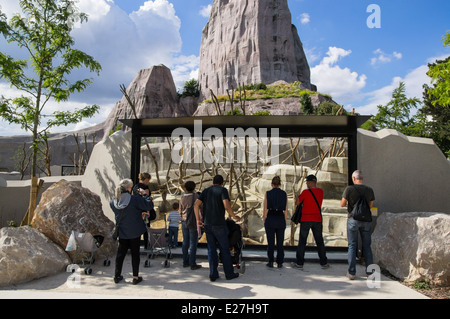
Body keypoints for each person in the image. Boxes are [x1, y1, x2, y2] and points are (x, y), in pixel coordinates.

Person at [194, 175, 241, 281]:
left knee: (211, 250)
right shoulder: (223, 190)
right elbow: (226, 205)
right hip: (219, 224)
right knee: (224, 249)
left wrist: (198, 220)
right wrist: (234, 216)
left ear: (213, 182)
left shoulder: (206, 191)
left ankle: (213, 274)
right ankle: (229, 273)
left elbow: (196, 205)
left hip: (207, 224)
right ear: (222, 182)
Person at [110, 178, 153, 285]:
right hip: (135, 232)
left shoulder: (113, 201)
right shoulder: (135, 200)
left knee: (120, 254)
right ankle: (135, 277)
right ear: (129, 188)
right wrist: (144, 194)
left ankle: (117, 275)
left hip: (122, 232)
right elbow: (149, 205)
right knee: (135, 254)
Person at [340, 170, 375, 280]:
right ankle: (370, 273)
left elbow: (342, 204)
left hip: (352, 219)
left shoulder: (349, 189)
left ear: (353, 179)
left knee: (352, 245)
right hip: (366, 220)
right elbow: (370, 205)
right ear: (362, 178)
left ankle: (351, 273)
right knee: (367, 246)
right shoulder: (369, 190)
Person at [292, 175, 329, 269]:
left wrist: (296, 196)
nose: (307, 184)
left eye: (307, 182)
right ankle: (324, 262)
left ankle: (299, 263)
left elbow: (297, 202)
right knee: (319, 241)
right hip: (317, 219)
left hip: (306, 219)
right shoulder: (321, 192)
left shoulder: (305, 192)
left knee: (302, 242)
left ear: (311, 182)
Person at [263, 176, 288, 268]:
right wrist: (284, 219)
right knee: (280, 242)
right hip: (280, 217)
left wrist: (264, 218)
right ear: (280, 184)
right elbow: (286, 209)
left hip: (271, 217)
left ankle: (270, 261)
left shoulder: (268, 193)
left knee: (271, 242)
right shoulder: (284, 194)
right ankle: (280, 262)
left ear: (271, 184)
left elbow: (265, 208)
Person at [179, 181, 202, 270]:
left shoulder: (182, 197)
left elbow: (180, 210)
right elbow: (201, 207)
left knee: (185, 242)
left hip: (184, 221)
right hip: (192, 221)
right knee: (193, 242)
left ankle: (185, 261)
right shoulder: (195, 196)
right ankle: (193, 263)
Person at [132, 172, 152, 249]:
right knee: (146, 227)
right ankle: (146, 245)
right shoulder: (145, 187)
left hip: (136, 210)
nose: (149, 181)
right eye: (148, 180)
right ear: (146, 179)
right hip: (144, 211)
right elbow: (146, 199)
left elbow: (132, 198)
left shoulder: (135, 187)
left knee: (137, 227)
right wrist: (148, 211)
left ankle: (136, 244)